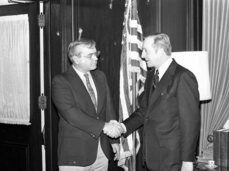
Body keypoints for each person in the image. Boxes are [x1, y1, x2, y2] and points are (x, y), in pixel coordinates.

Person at [108, 33, 201, 171]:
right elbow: (145, 111)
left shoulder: (182, 76)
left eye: (146, 51)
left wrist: (187, 160)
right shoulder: (152, 75)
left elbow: (190, 123)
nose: (143, 56)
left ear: (161, 50)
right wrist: (122, 127)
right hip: (152, 157)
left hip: (172, 159)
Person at [52, 38, 122, 171]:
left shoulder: (100, 76)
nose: (96, 58)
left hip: (102, 151)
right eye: (90, 55)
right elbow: (71, 114)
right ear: (76, 59)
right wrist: (105, 127)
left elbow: (108, 109)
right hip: (75, 154)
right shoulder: (61, 81)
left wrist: (114, 140)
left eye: (96, 54)